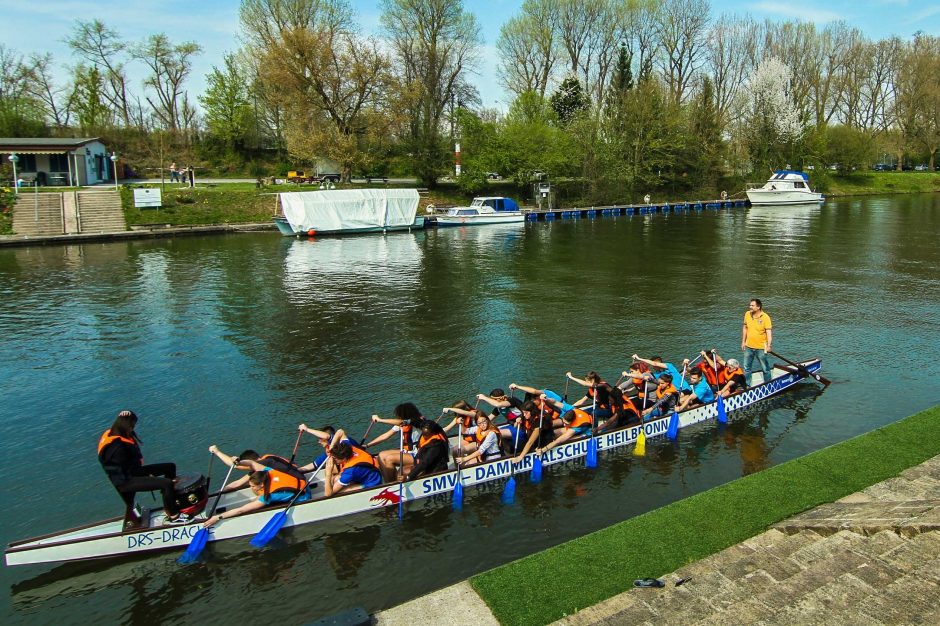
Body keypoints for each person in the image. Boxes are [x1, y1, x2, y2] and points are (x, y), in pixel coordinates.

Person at [98, 409, 183, 527]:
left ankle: (170, 504)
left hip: (133, 471)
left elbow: (136, 462)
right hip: (126, 481)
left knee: (170, 467)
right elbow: (123, 470)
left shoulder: (117, 432)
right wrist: (147, 476)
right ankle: (174, 516)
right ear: (125, 426)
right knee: (167, 483)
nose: (133, 428)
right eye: (132, 426)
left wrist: (127, 412)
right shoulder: (116, 447)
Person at [202, 444, 310, 528]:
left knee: (259, 504)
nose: (251, 488)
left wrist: (218, 517)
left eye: (253, 487)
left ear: (261, 484)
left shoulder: (267, 494)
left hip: (303, 496)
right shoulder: (267, 471)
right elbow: (238, 481)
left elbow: (241, 510)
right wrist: (214, 494)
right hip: (301, 483)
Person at [361, 403, 424, 481]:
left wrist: (379, 420)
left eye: (399, 415)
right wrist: (367, 445)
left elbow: (401, 422)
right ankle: (389, 482)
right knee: (381, 455)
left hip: (418, 454)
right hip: (407, 452)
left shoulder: (418, 421)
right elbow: (386, 436)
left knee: (389, 459)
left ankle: (392, 485)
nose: (398, 416)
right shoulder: (401, 424)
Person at [742, 298, 773, 386]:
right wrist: (743, 342)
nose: (750, 307)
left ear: (758, 307)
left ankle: (768, 384)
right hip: (748, 346)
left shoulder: (765, 317)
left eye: (752, 305)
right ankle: (747, 385)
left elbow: (769, 333)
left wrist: (769, 345)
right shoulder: (747, 314)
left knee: (765, 368)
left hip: (761, 347)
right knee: (746, 367)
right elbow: (745, 327)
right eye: (750, 305)